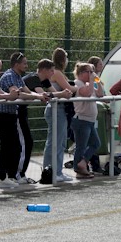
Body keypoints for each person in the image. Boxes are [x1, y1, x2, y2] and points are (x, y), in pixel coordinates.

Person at [0, 52, 47, 188]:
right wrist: (38, 97)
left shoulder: (18, 76)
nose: (26, 65)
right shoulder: (9, 76)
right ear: (16, 64)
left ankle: (9, 175)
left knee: (13, 146)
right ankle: (5, 176)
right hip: (5, 115)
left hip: (12, 115)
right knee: (10, 146)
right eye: (24, 63)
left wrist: (39, 96)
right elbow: (18, 94)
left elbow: (27, 92)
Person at [40, 49, 76, 181]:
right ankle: (51, 171)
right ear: (62, 59)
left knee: (59, 142)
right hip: (56, 109)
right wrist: (80, 87)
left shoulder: (59, 72)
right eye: (66, 58)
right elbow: (70, 89)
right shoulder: (57, 72)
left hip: (61, 110)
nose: (67, 60)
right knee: (54, 142)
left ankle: (56, 170)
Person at [70, 63, 105, 179]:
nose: (91, 74)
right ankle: (79, 169)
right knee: (81, 146)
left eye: (92, 72)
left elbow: (100, 93)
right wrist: (91, 81)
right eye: (89, 72)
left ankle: (83, 163)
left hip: (90, 120)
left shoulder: (90, 83)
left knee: (96, 143)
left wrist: (97, 80)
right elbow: (87, 93)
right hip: (81, 120)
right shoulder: (78, 83)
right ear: (81, 73)